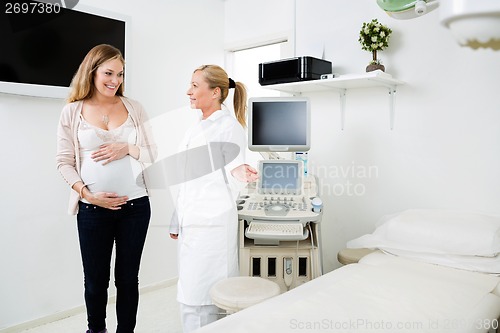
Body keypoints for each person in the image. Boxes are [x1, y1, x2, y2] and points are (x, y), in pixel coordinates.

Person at [56, 44, 157, 333]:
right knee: (95, 280)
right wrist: (87, 194)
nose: (115, 80)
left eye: (120, 74)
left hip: (136, 207)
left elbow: (152, 152)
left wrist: (127, 147)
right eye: (109, 73)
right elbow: (63, 162)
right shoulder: (72, 111)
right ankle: (95, 330)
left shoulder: (134, 108)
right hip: (92, 209)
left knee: (128, 279)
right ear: (92, 72)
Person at [169, 65, 258, 332]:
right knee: (192, 295)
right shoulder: (198, 128)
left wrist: (240, 172)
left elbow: (232, 172)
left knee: (203, 300)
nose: (189, 91)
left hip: (211, 227)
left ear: (215, 92)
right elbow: (188, 179)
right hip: (193, 223)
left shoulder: (228, 128)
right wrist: (177, 218)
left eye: (195, 86)